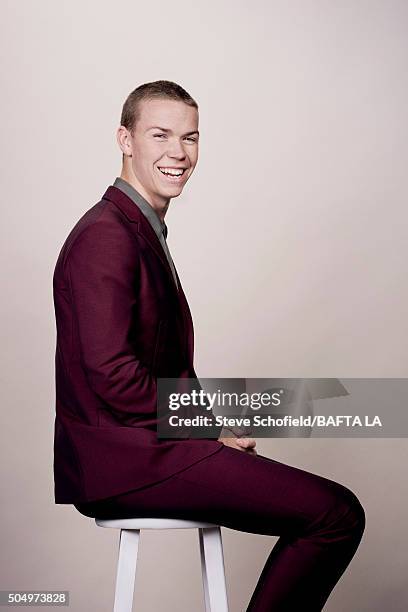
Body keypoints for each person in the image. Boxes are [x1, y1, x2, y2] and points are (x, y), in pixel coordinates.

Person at [52, 80, 365, 611]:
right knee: (335, 515)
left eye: (190, 137)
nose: (178, 152)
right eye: (160, 135)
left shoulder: (139, 230)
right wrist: (207, 428)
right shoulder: (107, 235)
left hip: (145, 450)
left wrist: (208, 430)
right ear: (125, 139)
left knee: (334, 510)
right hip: (125, 462)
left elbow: (149, 368)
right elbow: (111, 373)